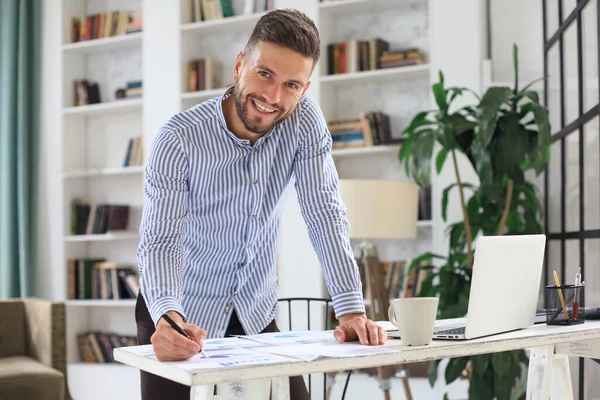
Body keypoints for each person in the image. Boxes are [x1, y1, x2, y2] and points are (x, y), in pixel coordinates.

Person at [135, 8, 388, 400]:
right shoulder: (178, 140)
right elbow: (161, 241)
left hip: (253, 312)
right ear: (240, 64)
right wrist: (168, 316)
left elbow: (324, 213)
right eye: (264, 74)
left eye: (291, 84)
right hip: (178, 314)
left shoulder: (305, 124)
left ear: (304, 90)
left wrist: (351, 308)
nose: (273, 97)